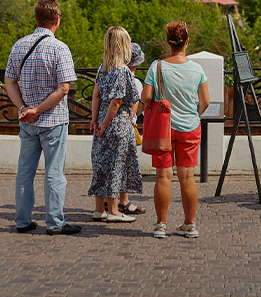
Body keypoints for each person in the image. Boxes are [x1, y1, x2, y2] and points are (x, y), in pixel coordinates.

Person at [4, 0, 82, 235]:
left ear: (36, 19)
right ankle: (55, 222)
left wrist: (24, 109)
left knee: (25, 172)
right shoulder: (60, 48)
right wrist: (38, 110)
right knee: (54, 172)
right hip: (54, 121)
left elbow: (9, 81)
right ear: (57, 20)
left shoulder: (19, 45)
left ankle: (23, 220)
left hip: (27, 122)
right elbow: (64, 88)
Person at [141, 22, 210, 238]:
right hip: (190, 127)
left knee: (163, 176)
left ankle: (161, 224)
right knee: (187, 177)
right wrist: (193, 114)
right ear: (187, 42)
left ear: (168, 43)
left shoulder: (157, 66)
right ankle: (189, 225)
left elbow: (146, 97)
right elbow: (205, 101)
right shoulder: (197, 69)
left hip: (164, 128)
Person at [88, 27, 143, 222]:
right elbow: (116, 102)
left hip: (101, 121)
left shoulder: (103, 67)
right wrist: (104, 123)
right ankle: (113, 210)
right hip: (117, 123)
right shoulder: (122, 70)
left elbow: (96, 95)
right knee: (115, 166)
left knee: (101, 164)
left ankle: (98, 209)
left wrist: (95, 121)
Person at [117, 42, 146, 215]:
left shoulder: (112, 73)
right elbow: (138, 107)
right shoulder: (135, 82)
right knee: (124, 166)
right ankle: (123, 202)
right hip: (126, 126)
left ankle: (107, 202)